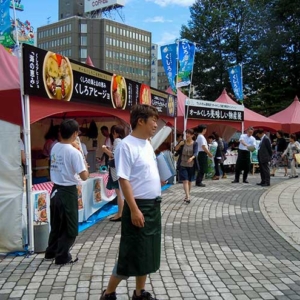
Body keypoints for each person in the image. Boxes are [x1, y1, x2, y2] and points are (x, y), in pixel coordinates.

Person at [100, 104, 163, 300]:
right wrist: (134, 209)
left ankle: (139, 292)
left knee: (145, 252)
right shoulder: (126, 145)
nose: (156, 124)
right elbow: (123, 179)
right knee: (131, 253)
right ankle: (109, 293)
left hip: (153, 206)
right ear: (140, 121)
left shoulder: (147, 143)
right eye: (153, 119)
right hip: (139, 207)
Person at [44, 119, 89, 265]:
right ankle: (62, 255)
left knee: (57, 224)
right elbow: (84, 176)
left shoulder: (55, 147)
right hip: (68, 191)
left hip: (55, 189)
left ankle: (51, 251)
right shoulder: (74, 153)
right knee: (69, 226)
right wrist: (82, 158)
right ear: (75, 133)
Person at [102, 124, 126, 222]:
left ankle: (120, 213)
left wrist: (105, 150)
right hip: (120, 170)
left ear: (115, 133)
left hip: (116, 171)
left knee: (119, 193)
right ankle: (120, 212)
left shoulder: (117, 141)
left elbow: (114, 155)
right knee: (119, 192)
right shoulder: (123, 141)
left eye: (113, 132)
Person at [174, 129, 198, 203]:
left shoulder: (195, 143)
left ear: (192, 135)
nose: (187, 135)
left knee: (190, 181)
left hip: (191, 164)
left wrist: (191, 158)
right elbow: (175, 149)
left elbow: (196, 153)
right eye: (186, 133)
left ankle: (187, 195)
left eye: (189, 134)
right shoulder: (182, 142)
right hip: (182, 164)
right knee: (185, 180)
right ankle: (188, 197)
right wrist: (179, 144)